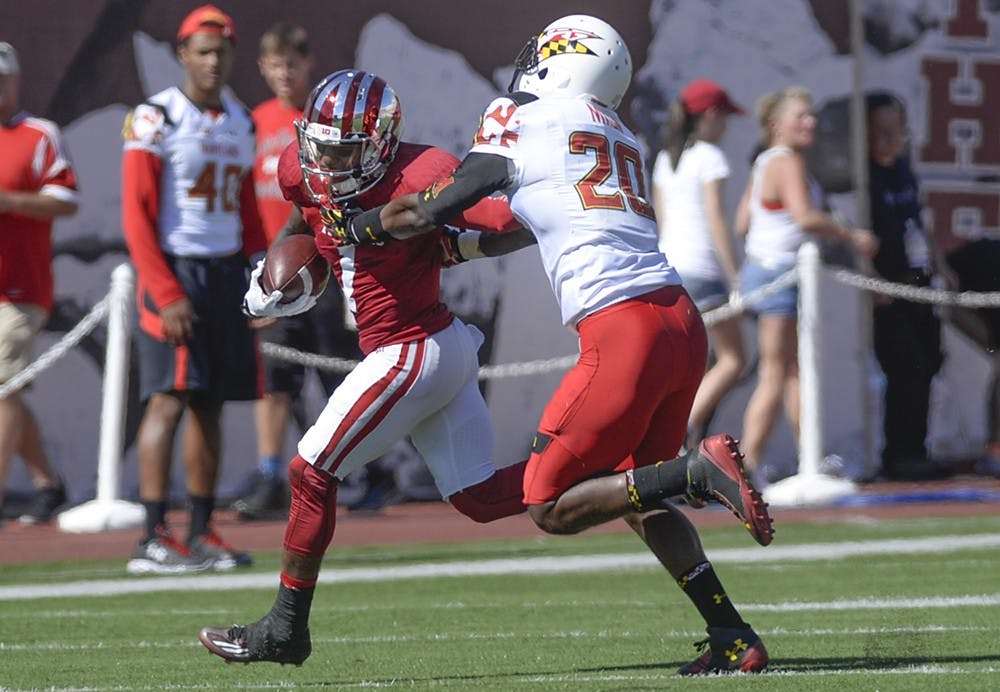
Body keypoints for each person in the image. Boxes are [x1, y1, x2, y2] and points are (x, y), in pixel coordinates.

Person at [283, 17, 778, 675]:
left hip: (622, 328)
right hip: (679, 322)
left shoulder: (523, 112)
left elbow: (441, 201)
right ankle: (732, 634)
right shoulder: (617, 131)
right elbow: (512, 220)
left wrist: (362, 225)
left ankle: (698, 470)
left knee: (549, 502)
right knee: (637, 495)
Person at [199, 68, 535, 664]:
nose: (327, 162)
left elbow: (508, 224)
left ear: (380, 144)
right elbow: (307, 216)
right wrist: (273, 269)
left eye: (343, 150)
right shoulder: (301, 169)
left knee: (309, 473)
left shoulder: (423, 171)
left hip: (411, 347)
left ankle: (284, 628)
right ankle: (645, 475)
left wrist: (491, 213)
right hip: (439, 346)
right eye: (319, 146)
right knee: (481, 498)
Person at [121, 5, 267, 573]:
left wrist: (262, 281)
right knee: (168, 399)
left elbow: (248, 210)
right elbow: (136, 215)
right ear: (182, 55)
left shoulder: (240, 118)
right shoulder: (155, 117)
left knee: (211, 405)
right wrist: (165, 290)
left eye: (221, 51)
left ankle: (203, 530)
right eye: (202, 52)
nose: (213, 62)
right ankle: (153, 534)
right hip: (176, 269)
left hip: (225, 269)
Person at [232, 21, 362, 520]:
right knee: (275, 377)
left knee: (340, 374)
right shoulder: (254, 121)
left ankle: (354, 471)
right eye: (275, 65)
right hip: (277, 269)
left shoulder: (325, 119)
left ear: (309, 64)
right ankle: (270, 473)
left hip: (325, 265)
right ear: (263, 68)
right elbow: (245, 199)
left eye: (293, 64)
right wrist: (257, 267)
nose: (285, 74)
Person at [734, 86, 878, 480]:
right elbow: (805, 217)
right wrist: (851, 235)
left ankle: (809, 457)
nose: (810, 122)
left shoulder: (764, 162)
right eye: (801, 116)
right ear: (776, 124)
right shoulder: (787, 161)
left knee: (795, 371)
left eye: (810, 115)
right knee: (776, 373)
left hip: (764, 271)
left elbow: (743, 223)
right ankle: (746, 464)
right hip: (780, 274)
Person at [0, 41, 76, 525]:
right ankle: (48, 483)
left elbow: (65, 199)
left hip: (21, 290)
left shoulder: (38, 133)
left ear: (16, 80)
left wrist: (10, 201)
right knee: (8, 388)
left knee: (4, 387)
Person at [652, 79, 747, 446]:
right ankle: (679, 433)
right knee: (734, 359)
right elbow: (715, 217)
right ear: (710, 115)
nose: (726, 127)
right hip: (703, 271)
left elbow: (661, 217)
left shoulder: (664, 159)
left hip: (670, 270)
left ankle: (674, 437)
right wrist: (736, 275)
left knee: (684, 365)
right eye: (724, 117)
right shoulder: (710, 157)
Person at [866, 91, 945, 480]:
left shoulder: (903, 170)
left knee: (930, 360)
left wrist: (941, 264)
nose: (889, 140)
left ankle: (918, 449)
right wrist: (873, 280)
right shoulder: (866, 178)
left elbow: (918, 223)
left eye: (895, 132)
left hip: (920, 283)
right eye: (880, 132)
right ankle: (898, 454)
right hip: (888, 288)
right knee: (905, 367)